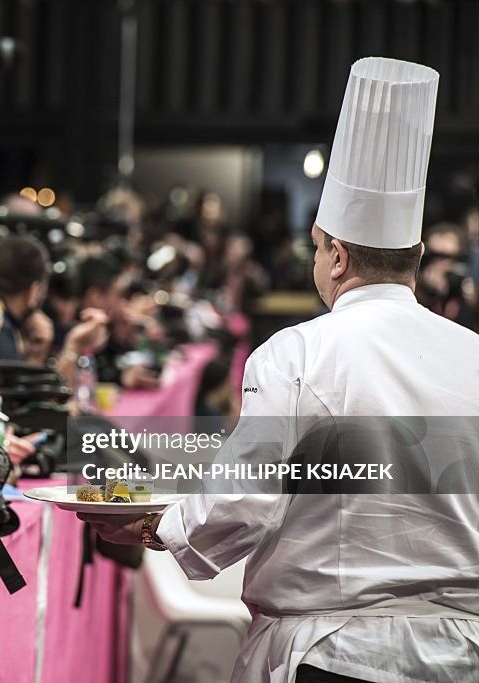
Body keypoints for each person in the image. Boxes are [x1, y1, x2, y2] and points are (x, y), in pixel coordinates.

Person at [82, 58, 479, 683]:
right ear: (418, 257)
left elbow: (248, 496)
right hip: (463, 655)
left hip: (337, 654)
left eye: (318, 250)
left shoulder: (298, 352)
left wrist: (162, 527)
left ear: (338, 257)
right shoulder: (473, 354)